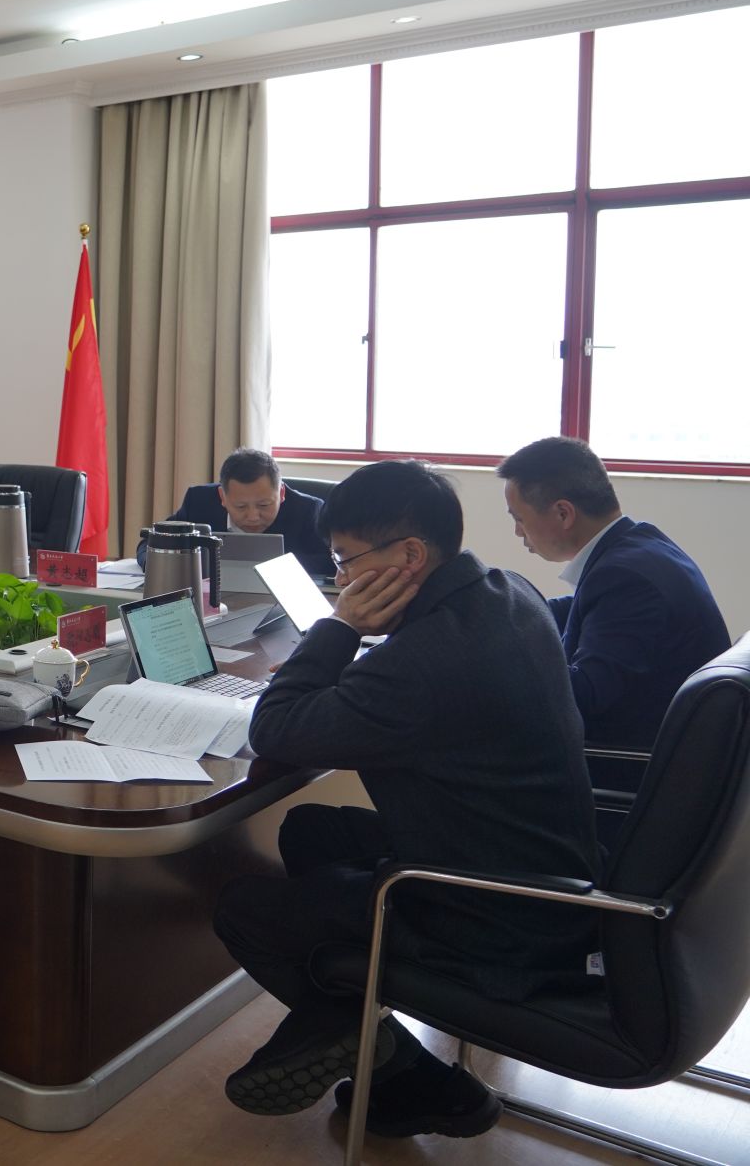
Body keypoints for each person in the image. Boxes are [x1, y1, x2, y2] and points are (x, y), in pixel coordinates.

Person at [211, 460, 598, 1142]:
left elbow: (274, 728)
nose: (341, 580)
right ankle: (347, 1015)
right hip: (548, 879)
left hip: (491, 920)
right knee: (309, 830)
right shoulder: (507, 591)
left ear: (410, 556)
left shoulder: (427, 662)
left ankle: (409, 1073)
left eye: (345, 560)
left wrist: (339, 628)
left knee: (243, 908)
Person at [498, 436, 728, 760]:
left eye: (519, 519)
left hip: (625, 765)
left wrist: (496, 662)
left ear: (563, 513)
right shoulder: (640, 544)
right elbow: (577, 611)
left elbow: (582, 698)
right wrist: (499, 614)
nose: (517, 532)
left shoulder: (626, 578)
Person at [137, 448, 332, 576]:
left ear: (281, 493)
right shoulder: (199, 502)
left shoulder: (308, 510)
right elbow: (150, 542)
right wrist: (154, 566)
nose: (253, 516)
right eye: (241, 507)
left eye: (264, 505)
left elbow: (331, 562)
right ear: (222, 496)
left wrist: (271, 565)